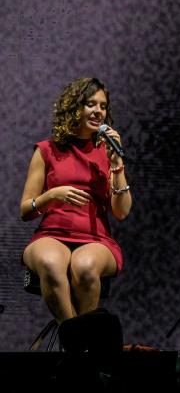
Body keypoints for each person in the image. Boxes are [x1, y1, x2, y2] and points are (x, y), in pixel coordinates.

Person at [20, 77, 132, 325]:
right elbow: (26, 210)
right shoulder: (47, 150)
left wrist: (117, 165)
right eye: (91, 104)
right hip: (52, 233)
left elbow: (121, 212)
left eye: (103, 106)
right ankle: (75, 343)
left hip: (96, 238)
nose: (98, 111)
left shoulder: (107, 151)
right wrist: (51, 196)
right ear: (74, 108)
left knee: (84, 266)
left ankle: (76, 344)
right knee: (50, 262)